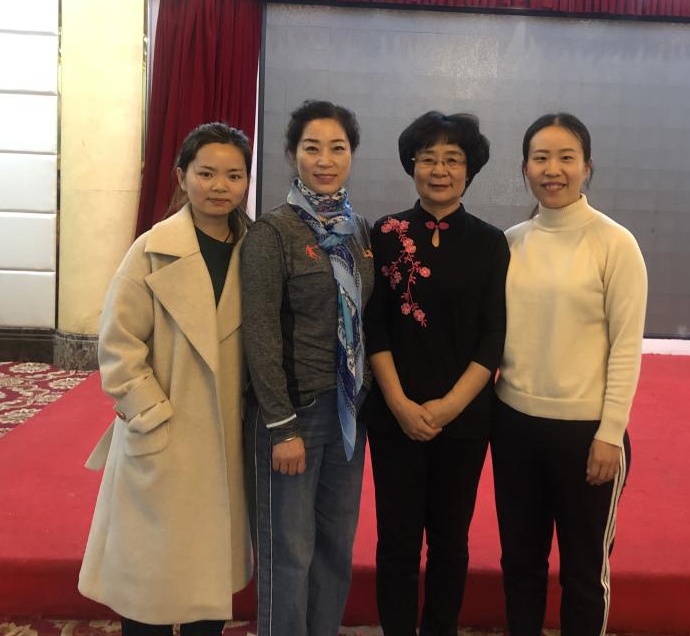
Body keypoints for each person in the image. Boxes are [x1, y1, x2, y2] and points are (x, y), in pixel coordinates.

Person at [79, 122, 253, 636]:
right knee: (149, 577)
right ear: (181, 176)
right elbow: (118, 342)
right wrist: (149, 411)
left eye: (234, 175)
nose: (219, 186)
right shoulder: (151, 249)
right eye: (206, 173)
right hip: (164, 429)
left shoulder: (256, 251)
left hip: (226, 433)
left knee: (206, 579)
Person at [492, 113, 647, 636]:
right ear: (525, 168)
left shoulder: (615, 244)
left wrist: (610, 433)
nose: (552, 169)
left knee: (583, 572)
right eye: (540, 158)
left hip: (587, 435)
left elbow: (626, 348)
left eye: (565, 158)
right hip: (514, 428)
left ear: (587, 166)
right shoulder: (510, 243)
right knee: (520, 565)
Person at [362, 111, 508, 636]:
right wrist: (400, 405)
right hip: (394, 415)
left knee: (450, 540)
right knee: (397, 540)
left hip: (463, 419)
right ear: (412, 165)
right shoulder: (386, 234)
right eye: (428, 159)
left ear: (470, 169)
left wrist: (449, 407)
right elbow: (374, 326)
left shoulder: (491, 242)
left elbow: (493, 335)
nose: (439, 170)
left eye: (452, 159)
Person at [241, 99, 374, 636]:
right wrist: (281, 426)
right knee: (289, 552)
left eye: (337, 148)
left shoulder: (358, 231)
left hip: (348, 414)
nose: (325, 160)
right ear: (292, 153)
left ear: (351, 155)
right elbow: (259, 335)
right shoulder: (272, 232)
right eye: (312, 148)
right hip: (293, 416)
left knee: (336, 546)